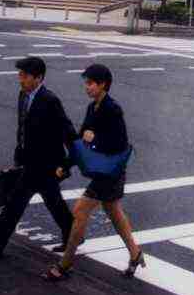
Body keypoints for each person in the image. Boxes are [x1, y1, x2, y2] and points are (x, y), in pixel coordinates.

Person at [44, 64, 143, 282]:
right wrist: (67, 163)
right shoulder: (93, 108)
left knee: (80, 211)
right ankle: (135, 254)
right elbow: (80, 140)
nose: (87, 87)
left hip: (111, 172)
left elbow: (119, 143)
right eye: (86, 83)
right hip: (103, 171)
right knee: (114, 213)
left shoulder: (112, 109)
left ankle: (65, 265)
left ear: (103, 85)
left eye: (90, 83)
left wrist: (95, 141)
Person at [0, 57, 76, 260]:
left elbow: (68, 132)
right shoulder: (23, 95)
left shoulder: (49, 100)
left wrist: (67, 163)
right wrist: (18, 155)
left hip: (46, 164)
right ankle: (73, 235)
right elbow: (22, 128)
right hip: (29, 161)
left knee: (14, 204)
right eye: (19, 75)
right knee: (53, 201)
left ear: (38, 78)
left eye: (25, 76)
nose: (20, 79)